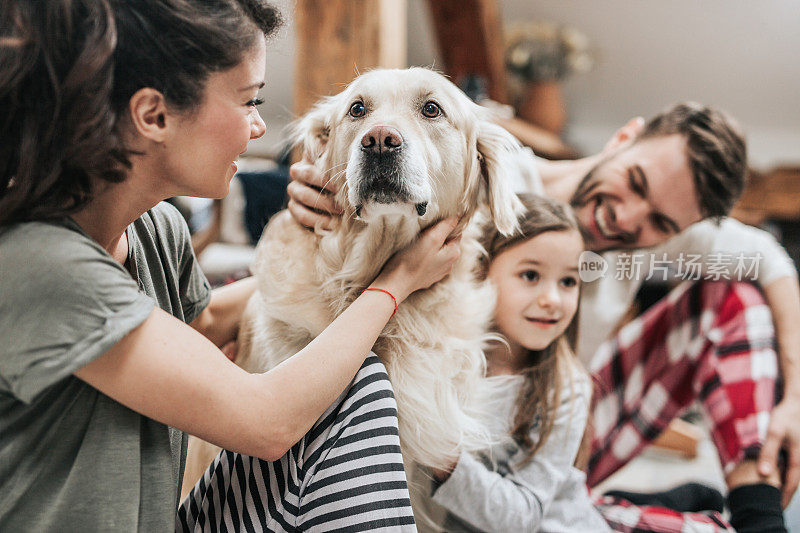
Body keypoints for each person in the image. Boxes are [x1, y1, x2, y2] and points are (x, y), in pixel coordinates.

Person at [0, 1, 461, 530]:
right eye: (249, 101)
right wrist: (394, 283)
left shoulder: (156, 231)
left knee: (355, 386)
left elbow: (198, 327)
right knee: (355, 385)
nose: (261, 126)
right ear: (154, 116)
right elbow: (267, 421)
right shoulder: (41, 262)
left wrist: (314, 242)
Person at [288, 102, 798, 531]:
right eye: (635, 183)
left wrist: (794, 400)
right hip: (461, 431)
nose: (626, 218)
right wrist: (322, 189)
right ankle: (646, 506)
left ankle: (760, 516)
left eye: (661, 222)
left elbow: (770, 261)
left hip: (560, 425)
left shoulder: (666, 233)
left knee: (736, 301)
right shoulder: (485, 178)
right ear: (623, 138)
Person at [418, 193, 734, 532]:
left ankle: (667, 502)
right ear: (480, 272)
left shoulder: (565, 388)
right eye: (530, 275)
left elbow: (522, 518)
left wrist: (445, 460)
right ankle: (661, 500)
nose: (552, 300)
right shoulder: (449, 363)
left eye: (568, 281)